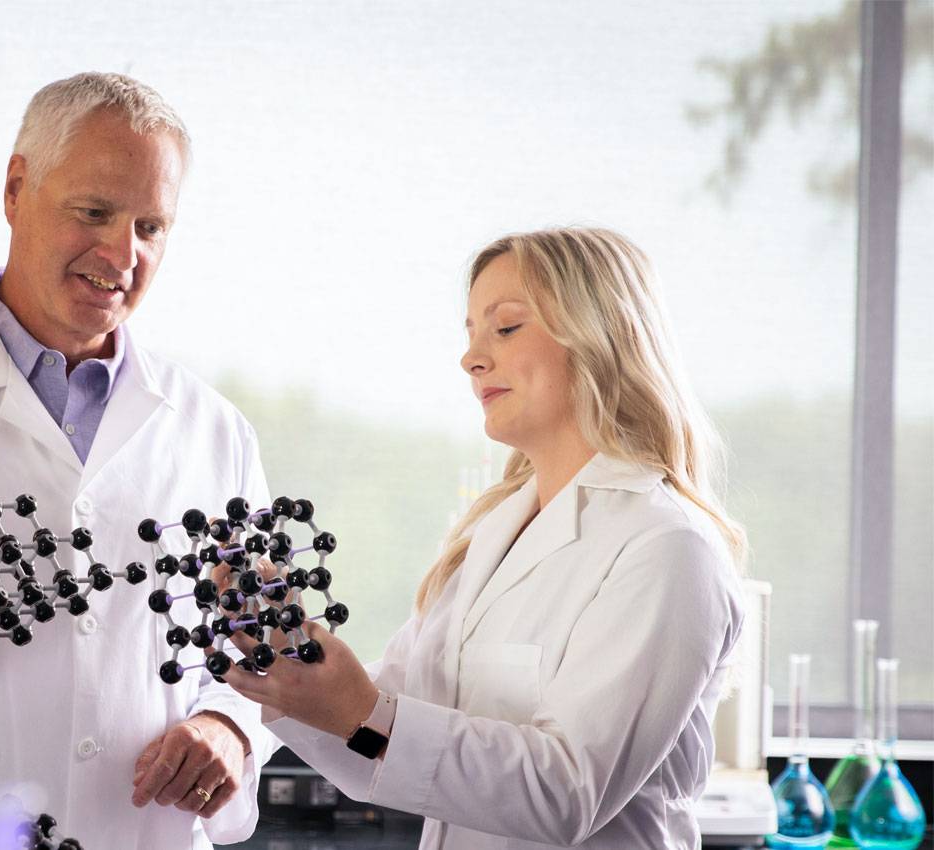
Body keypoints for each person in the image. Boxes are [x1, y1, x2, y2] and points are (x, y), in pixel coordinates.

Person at [0, 72, 275, 849]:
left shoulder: (216, 432)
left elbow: (261, 663)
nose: (123, 253)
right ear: (16, 189)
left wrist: (229, 729)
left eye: (152, 225)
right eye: (95, 213)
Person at [220, 227, 747, 849]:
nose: (471, 359)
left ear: (599, 335)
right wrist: (289, 672)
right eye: (470, 334)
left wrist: (362, 712)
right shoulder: (490, 537)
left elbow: (568, 794)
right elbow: (381, 745)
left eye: (505, 328)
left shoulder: (666, 548)